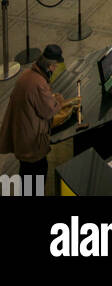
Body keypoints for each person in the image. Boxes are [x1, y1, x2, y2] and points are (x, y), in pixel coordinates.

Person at [0, 44, 77, 188]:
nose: (55, 69)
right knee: (37, 173)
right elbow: (48, 111)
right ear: (50, 66)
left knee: (28, 173)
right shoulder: (38, 83)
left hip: (22, 133)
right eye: (55, 66)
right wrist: (58, 101)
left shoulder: (29, 75)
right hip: (31, 140)